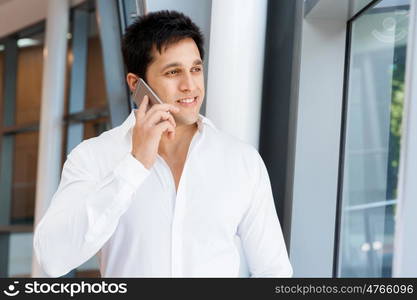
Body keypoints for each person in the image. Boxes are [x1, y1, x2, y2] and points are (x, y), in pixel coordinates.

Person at [34, 10, 292, 278]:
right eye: (173, 72)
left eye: (195, 69)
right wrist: (133, 167)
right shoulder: (93, 157)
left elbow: (274, 270)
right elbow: (52, 259)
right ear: (136, 84)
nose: (190, 85)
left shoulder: (241, 161)